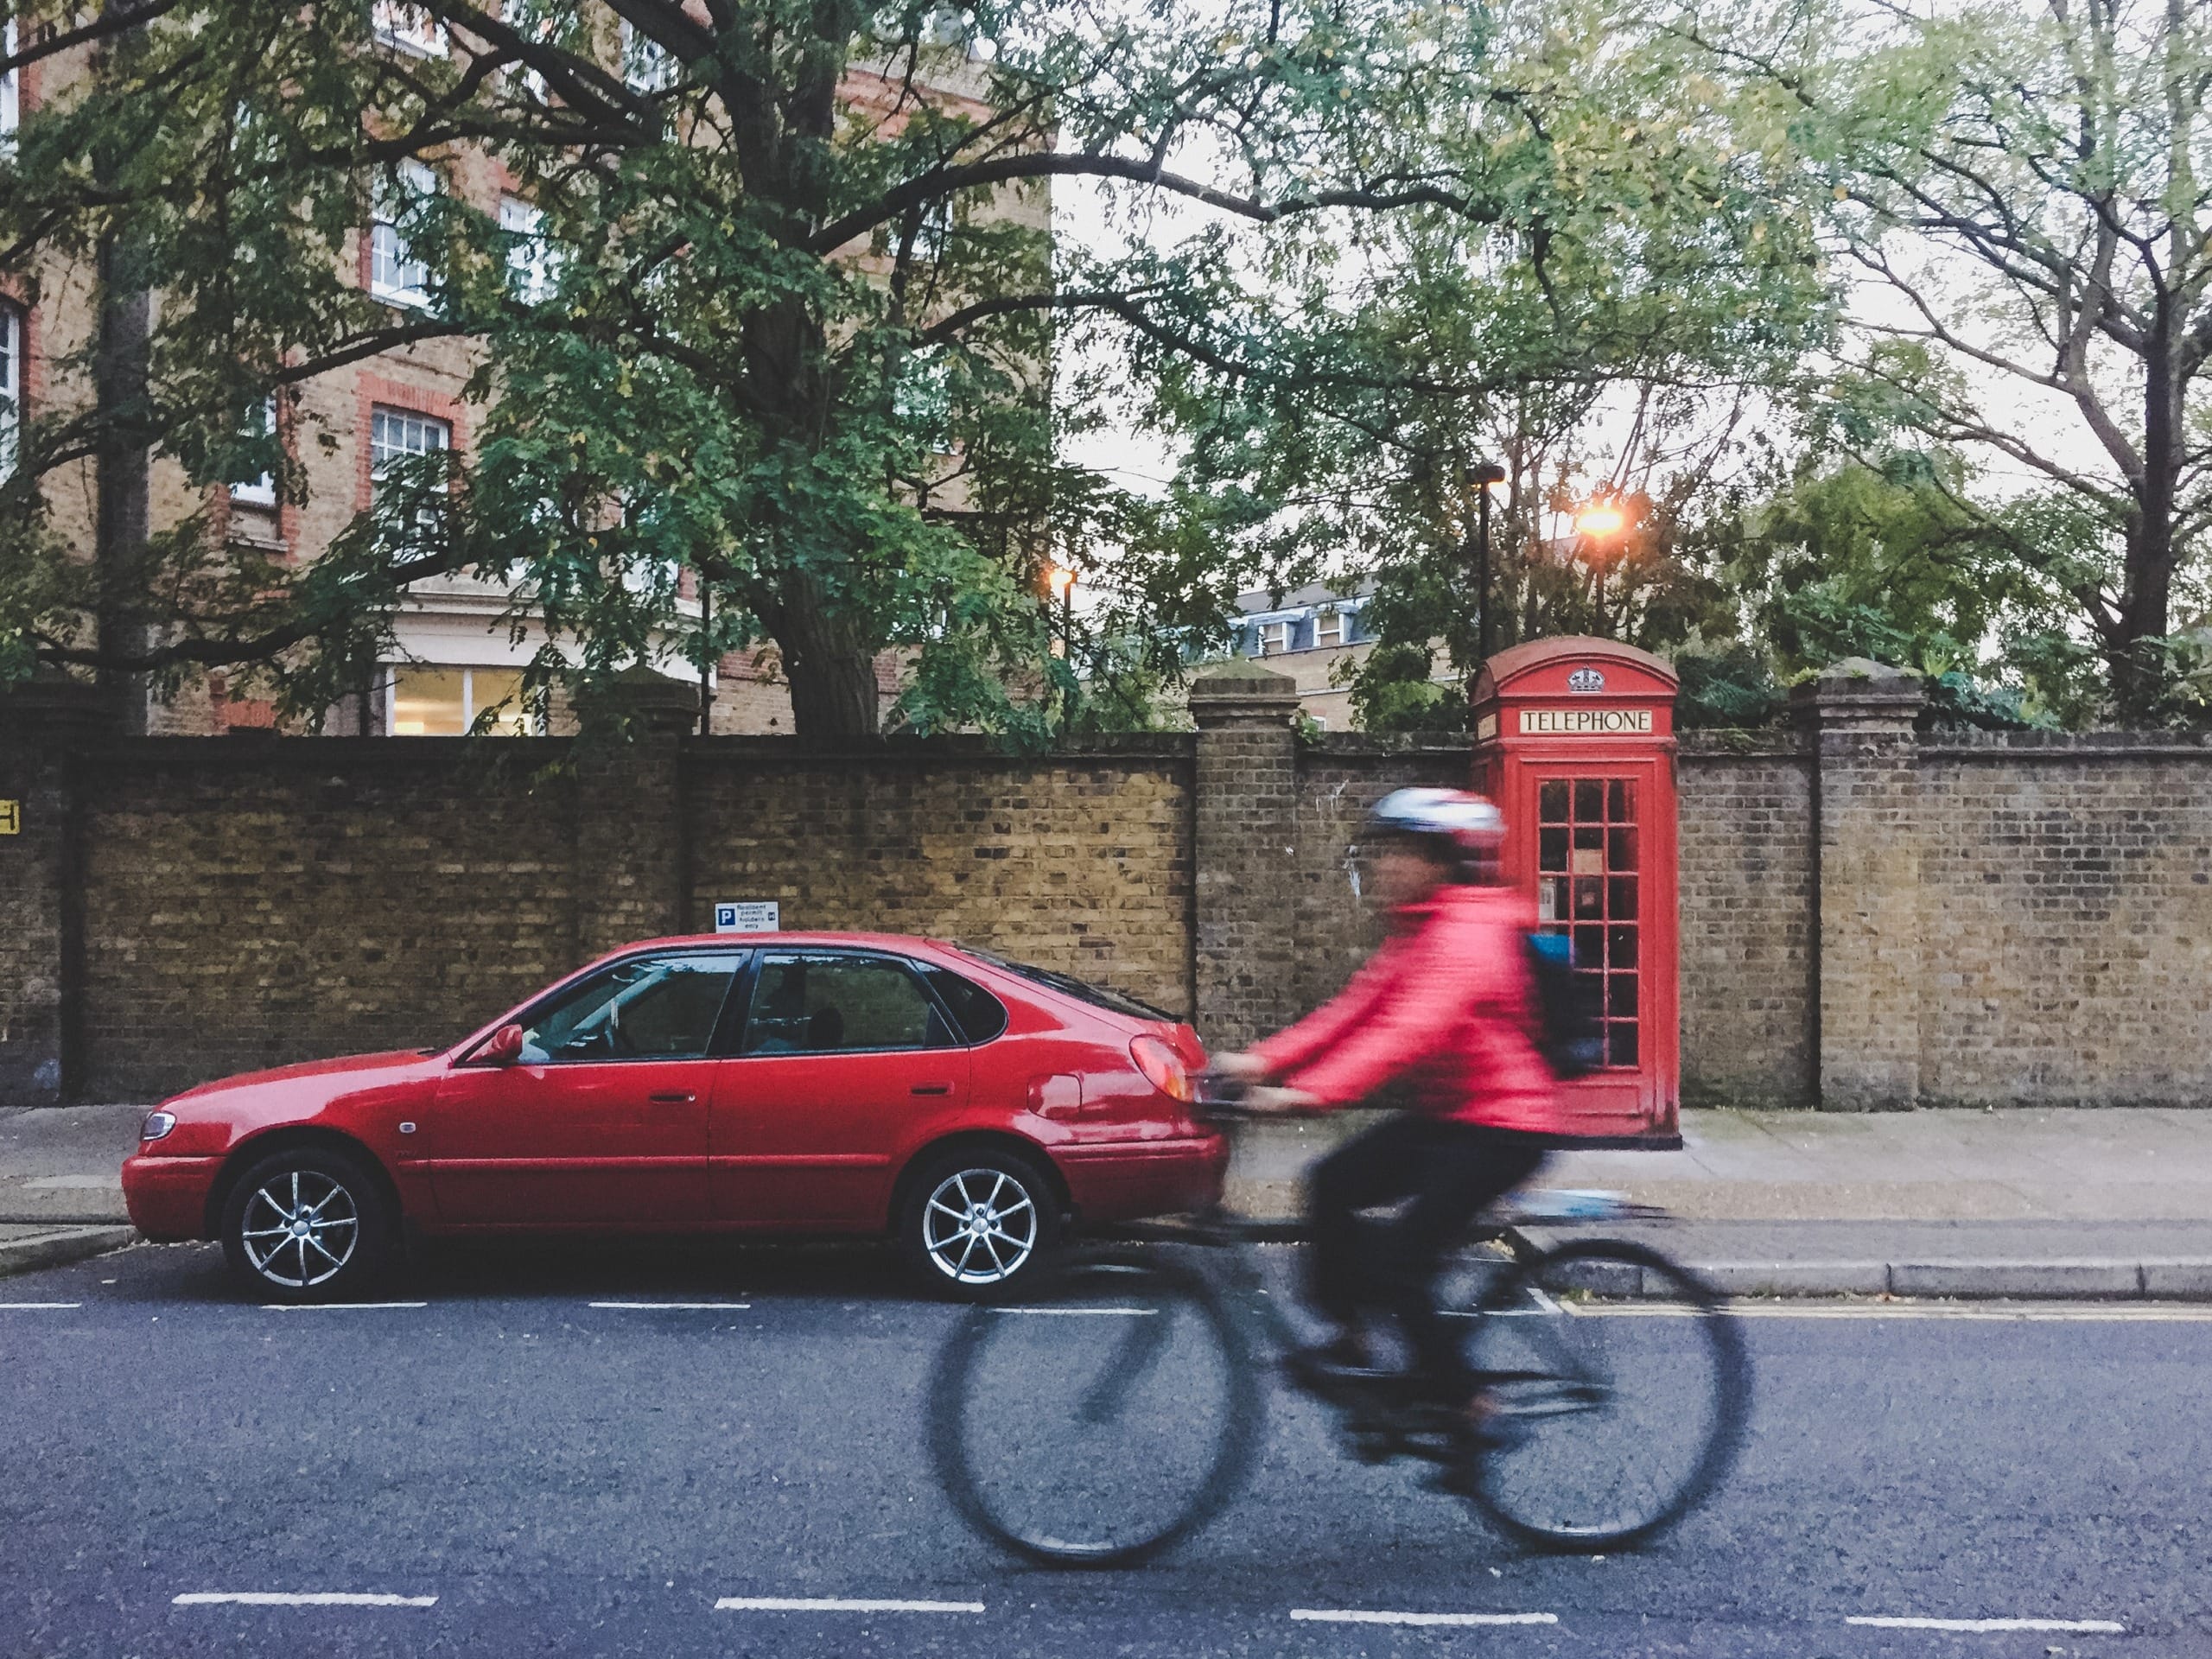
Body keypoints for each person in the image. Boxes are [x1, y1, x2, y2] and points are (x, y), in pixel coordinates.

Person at [1213, 786, 1563, 1425]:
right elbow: (1352, 1013)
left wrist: (1306, 1095)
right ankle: (1352, 1337)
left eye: (1397, 853)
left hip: (1505, 1128)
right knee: (1332, 1180)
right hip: (1452, 1114)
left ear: (1439, 861)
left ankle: (1468, 1404)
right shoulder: (1418, 931)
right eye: (1380, 852)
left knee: (1403, 1263)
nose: (1380, 867)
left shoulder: (1466, 937)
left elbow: (1403, 1035)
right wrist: (1259, 1061)